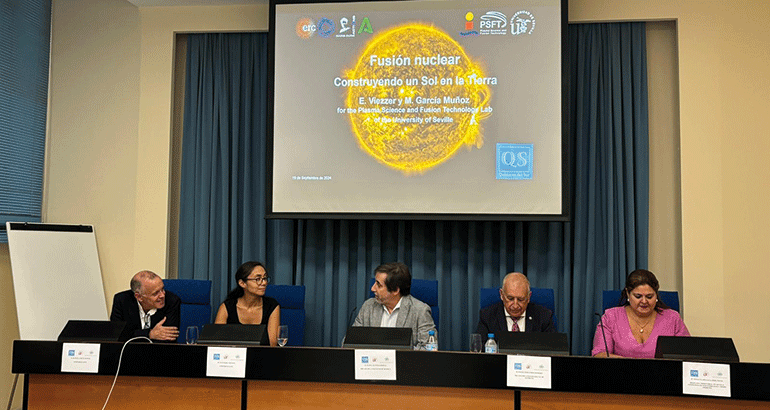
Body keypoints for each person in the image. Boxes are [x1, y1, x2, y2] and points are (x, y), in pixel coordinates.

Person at [592, 269, 690, 358]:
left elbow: (687, 354)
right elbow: (599, 354)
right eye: (638, 296)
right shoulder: (610, 317)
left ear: (656, 294)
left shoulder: (673, 318)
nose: (644, 301)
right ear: (628, 293)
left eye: (649, 296)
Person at [353, 262, 436, 350]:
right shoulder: (368, 306)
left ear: (395, 290)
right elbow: (349, 342)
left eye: (379, 285)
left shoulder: (420, 311)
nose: (372, 288)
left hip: (404, 363)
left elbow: (428, 348)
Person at [214, 261, 280, 346]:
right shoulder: (226, 307)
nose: (264, 283)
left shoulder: (272, 306)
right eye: (258, 279)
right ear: (242, 283)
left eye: (265, 278)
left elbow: (273, 343)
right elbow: (216, 342)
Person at [477, 272, 556, 337]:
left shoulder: (544, 316)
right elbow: (480, 351)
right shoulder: (487, 316)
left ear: (528, 297)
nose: (515, 305)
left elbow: (553, 350)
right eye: (510, 299)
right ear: (501, 295)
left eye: (520, 299)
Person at [110, 270, 181, 342]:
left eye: (162, 289)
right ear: (139, 297)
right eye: (155, 293)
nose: (162, 295)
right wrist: (149, 334)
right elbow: (117, 335)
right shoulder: (122, 301)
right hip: (128, 351)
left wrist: (135, 334)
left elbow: (169, 338)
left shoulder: (172, 301)